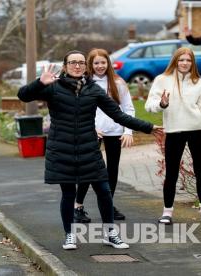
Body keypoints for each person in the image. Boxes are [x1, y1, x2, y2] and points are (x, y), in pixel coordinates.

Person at [18, 50, 163, 250]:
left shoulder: (93, 90)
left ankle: (110, 233)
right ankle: (69, 235)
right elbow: (23, 96)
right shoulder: (53, 87)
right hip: (62, 149)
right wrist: (40, 82)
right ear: (66, 65)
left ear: (85, 66)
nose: (77, 66)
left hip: (89, 148)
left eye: (80, 63)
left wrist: (148, 127)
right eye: (72, 63)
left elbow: (118, 115)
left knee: (103, 190)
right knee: (68, 193)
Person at [145, 47, 201, 225]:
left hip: (197, 130)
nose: (184, 63)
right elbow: (149, 105)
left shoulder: (198, 82)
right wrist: (162, 103)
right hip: (174, 131)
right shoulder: (162, 80)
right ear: (175, 61)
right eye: (181, 60)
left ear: (192, 63)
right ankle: (167, 213)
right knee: (172, 173)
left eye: (188, 60)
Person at [74, 48, 135, 223]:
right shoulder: (84, 84)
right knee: (88, 170)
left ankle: (109, 204)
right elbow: (78, 111)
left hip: (115, 132)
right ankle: (78, 206)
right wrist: (91, 128)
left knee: (112, 170)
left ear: (108, 63)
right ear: (90, 65)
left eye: (103, 62)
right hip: (92, 133)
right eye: (96, 63)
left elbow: (128, 108)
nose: (100, 66)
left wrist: (128, 131)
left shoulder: (118, 82)